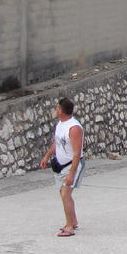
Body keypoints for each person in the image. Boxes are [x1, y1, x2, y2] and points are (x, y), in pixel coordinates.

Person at [39, 97, 84, 238]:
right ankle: (73, 220)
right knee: (63, 194)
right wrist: (47, 156)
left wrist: (72, 173)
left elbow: (77, 153)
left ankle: (69, 227)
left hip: (73, 164)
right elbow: (57, 142)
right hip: (60, 164)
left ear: (61, 110)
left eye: (57, 107)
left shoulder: (74, 128)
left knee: (66, 193)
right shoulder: (60, 124)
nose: (55, 110)